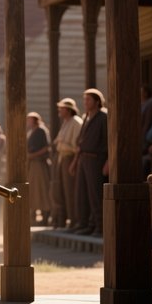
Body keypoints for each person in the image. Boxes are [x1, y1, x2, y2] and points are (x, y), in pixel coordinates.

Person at [70, 88, 108, 236]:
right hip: (83, 158)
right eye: (84, 99)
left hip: (96, 159)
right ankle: (87, 224)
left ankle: (100, 226)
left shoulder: (103, 117)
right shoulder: (87, 117)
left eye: (88, 100)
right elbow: (81, 142)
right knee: (83, 194)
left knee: (95, 194)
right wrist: (75, 162)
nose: (85, 102)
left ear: (97, 101)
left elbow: (108, 140)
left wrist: (108, 161)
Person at [50, 98, 83, 229]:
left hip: (70, 158)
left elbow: (76, 146)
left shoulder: (76, 122)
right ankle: (62, 219)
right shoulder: (66, 122)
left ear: (69, 110)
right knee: (59, 190)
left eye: (62, 108)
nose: (59, 111)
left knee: (70, 191)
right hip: (61, 158)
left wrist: (73, 161)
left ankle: (74, 220)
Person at [26, 112, 52, 225]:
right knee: (32, 190)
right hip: (32, 165)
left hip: (39, 164)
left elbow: (46, 148)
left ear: (35, 120)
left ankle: (45, 215)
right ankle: (33, 215)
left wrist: (33, 155)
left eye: (30, 120)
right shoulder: (31, 132)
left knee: (41, 189)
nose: (28, 122)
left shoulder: (41, 130)